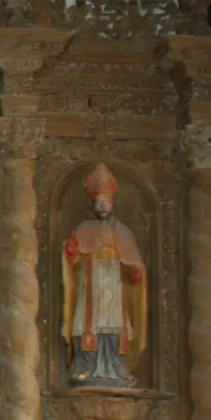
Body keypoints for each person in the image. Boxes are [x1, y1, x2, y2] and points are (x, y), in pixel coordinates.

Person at [61, 163, 148, 386]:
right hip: (90, 283)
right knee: (87, 324)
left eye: (105, 203)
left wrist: (135, 272)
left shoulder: (123, 232)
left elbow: (134, 263)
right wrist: (72, 252)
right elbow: (74, 261)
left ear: (112, 205)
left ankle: (116, 369)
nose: (102, 207)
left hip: (114, 285)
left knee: (113, 326)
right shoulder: (84, 228)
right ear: (92, 206)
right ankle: (86, 367)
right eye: (98, 203)